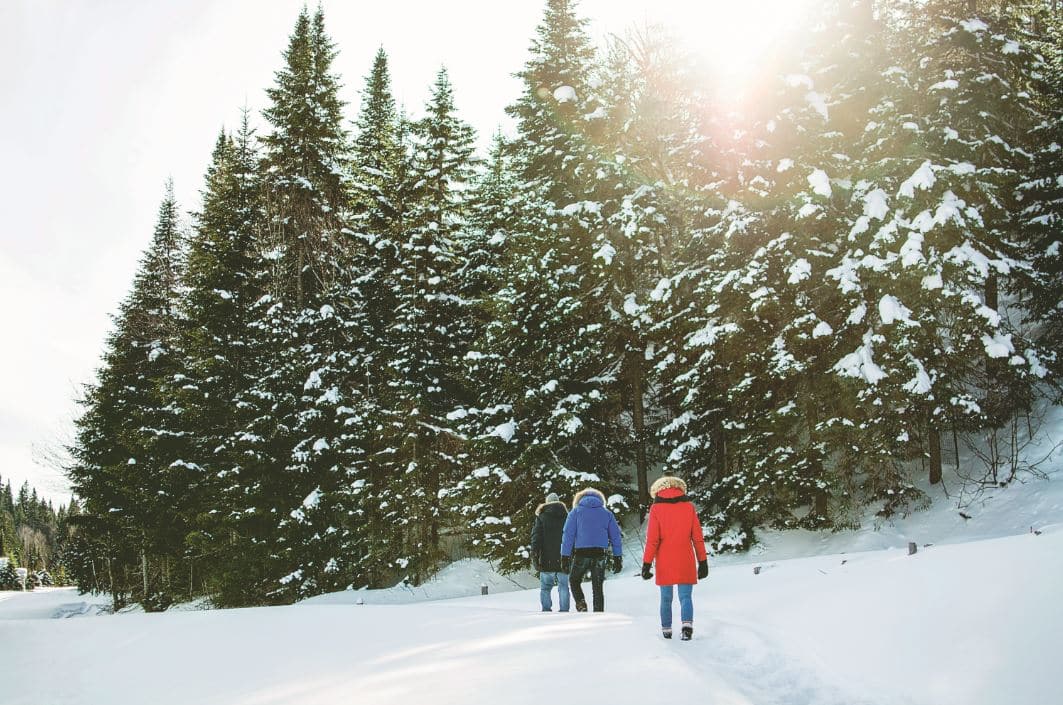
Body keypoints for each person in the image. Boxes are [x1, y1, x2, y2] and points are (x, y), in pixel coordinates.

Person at [641, 476, 708, 640]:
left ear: (658, 490)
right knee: (686, 597)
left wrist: (647, 564)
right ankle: (687, 626)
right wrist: (703, 561)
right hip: (685, 557)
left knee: (666, 598)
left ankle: (666, 630)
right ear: (680, 488)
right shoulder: (689, 507)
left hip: (665, 560)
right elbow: (697, 537)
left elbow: (652, 540)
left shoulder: (656, 509)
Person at [560, 487, 623, 612]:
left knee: (574, 580)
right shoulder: (607, 513)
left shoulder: (575, 512)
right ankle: (598, 614)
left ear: (579, 499)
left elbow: (568, 535)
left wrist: (565, 556)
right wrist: (617, 557)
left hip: (581, 554)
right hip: (599, 554)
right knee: (598, 586)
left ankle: (581, 603)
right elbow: (616, 536)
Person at [530, 492, 570, 612]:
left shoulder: (541, 517)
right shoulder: (567, 517)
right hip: (564, 558)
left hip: (547, 558)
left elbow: (536, 538)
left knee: (546, 587)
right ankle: (564, 611)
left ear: (547, 503)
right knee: (563, 586)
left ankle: (546, 610)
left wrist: (535, 555)